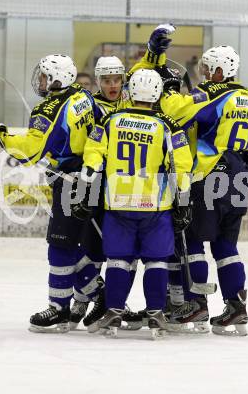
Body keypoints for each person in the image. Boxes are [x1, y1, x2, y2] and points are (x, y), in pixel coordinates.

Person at [0, 54, 103, 333]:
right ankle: (96, 292)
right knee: (69, 243)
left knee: (60, 244)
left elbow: (31, 151)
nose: (41, 81)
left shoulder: (47, 110)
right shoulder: (83, 95)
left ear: (57, 78)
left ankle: (62, 307)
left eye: (44, 76)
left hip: (70, 181)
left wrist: (0, 135)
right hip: (90, 177)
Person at [72, 69, 193, 337]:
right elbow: (181, 168)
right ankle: (155, 314)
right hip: (155, 205)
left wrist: (84, 193)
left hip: (118, 203)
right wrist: (183, 202)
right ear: (157, 94)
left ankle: (114, 311)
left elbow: (92, 159)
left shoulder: (110, 121)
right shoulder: (168, 125)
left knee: (118, 260)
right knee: (156, 261)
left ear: (130, 90)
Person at [153, 42, 248, 336]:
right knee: (227, 245)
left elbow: (177, 110)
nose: (202, 74)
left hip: (214, 171)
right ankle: (236, 306)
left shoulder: (212, 92)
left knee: (193, 236)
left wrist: (170, 89)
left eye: (207, 69)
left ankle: (196, 302)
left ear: (219, 71)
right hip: (242, 170)